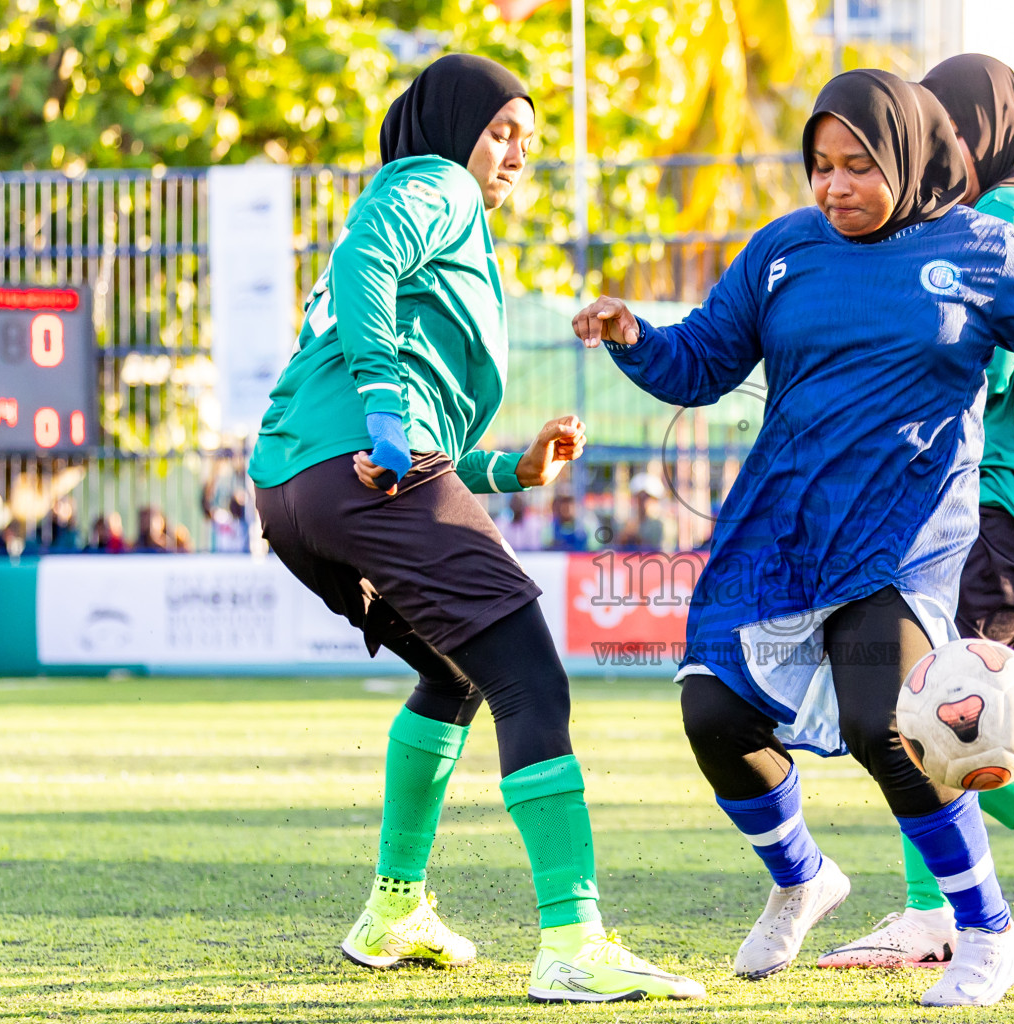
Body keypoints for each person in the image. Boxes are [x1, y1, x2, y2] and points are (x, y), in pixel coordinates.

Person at [574, 69, 1014, 1007]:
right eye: (821, 166)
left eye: (859, 166)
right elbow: (701, 365)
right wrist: (634, 335)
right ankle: (801, 878)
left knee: (892, 726)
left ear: (909, 158)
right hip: (774, 534)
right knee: (714, 717)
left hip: (901, 534)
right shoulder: (783, 250)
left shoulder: (983, 246)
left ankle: (988, 936)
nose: (835, 187)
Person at [247, 54, 702, 1002]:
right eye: (502, 130)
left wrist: (514, 470)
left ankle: (394, 907)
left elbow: (421, 425)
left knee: (455, 669)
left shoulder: (445, 220)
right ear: (453, 127)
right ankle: (574, 938)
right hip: (356, 463)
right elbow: (364, 258)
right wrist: (382, 410)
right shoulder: (435, 183)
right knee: (529, 673)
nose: (515, 155)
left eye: (528, 143)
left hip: (294, 490)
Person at [819, 53, 1014, 971]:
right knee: (926, 697)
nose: (929, 153)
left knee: (912, 693)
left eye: (942, 134)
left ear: (980, 131)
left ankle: (940, 912)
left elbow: (958, 360)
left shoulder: (997, 215)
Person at [615, 473, 674, 551]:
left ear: (655, 499)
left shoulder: (665, 524)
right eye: (640, 497)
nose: (642, 502)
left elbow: (662, 551)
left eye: (647, 497)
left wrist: (636, 538)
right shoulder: (628, 522)